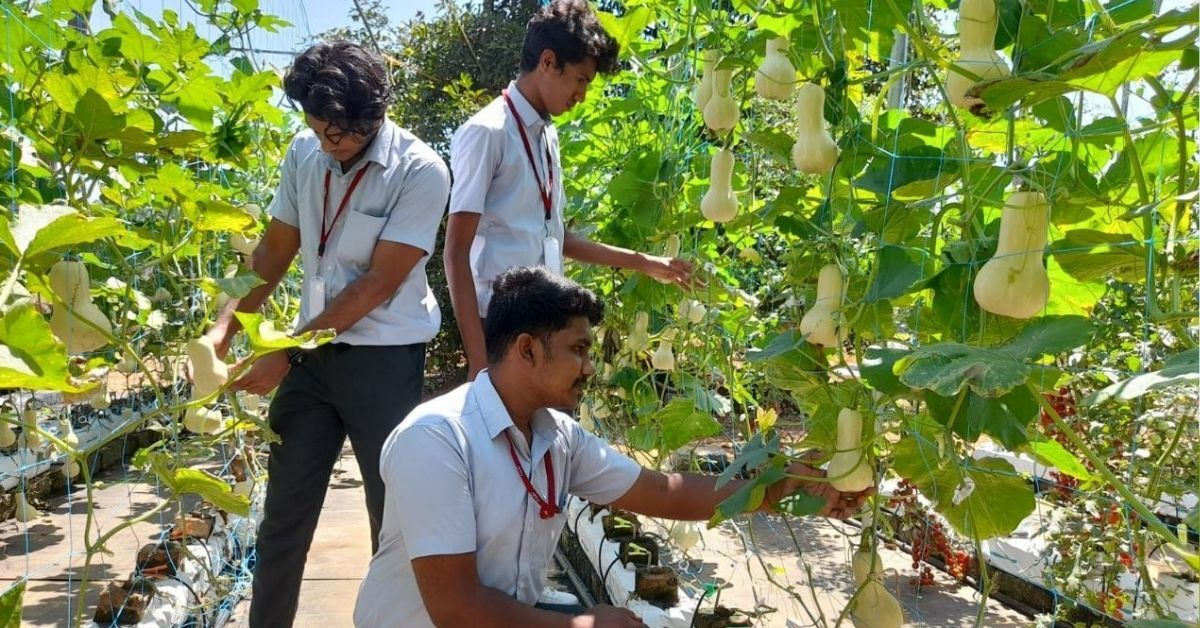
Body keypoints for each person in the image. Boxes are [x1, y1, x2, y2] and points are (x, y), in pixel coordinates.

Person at [353, 267, 873, 627]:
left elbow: (664, 493)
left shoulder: (557, 437)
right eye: (578, 350)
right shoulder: (438, 438)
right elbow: (456, 609)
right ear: (527, 350)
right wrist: (581, 623)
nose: (589, 367)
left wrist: (787, 486)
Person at [204, 41, 450, 627]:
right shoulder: (305, 156)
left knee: (391, 518)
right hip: (312, 354)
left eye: (337, 135)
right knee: (283, 516)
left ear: (374, 117)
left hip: (384, 360)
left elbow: (377, 285)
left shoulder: (420, 171)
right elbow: (273, 250)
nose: (325, 145)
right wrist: (222, 328)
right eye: (315, 130)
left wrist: (283, 355)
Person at [446, 0, 695, 381]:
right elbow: (456, 250)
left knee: (550, 434)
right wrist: (480, 362)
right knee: (504, 437)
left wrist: (646, 263)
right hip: (500, 324)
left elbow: (556, 237)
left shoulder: (548, 135)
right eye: (580, 79)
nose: (582, 94)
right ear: (548, 62)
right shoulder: (488, 132)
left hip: (548, 317)